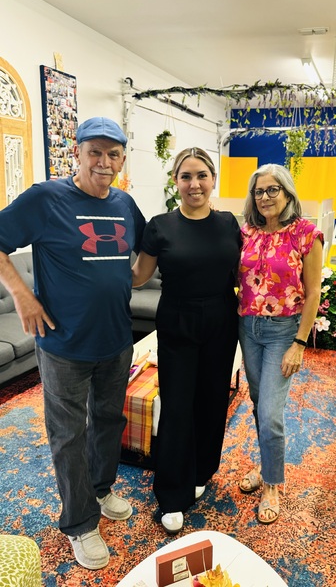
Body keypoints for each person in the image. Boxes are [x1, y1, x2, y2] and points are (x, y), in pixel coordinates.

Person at [0, 117, 146, 569]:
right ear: (76, 153)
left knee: (108, 421)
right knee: (68, 435)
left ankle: (100, 490)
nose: (104, 161)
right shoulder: (46, 198)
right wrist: (22, 295)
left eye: (113, 154)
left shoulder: (124, 203)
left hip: (116, 339)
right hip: (63, 343)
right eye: (94, 152)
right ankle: (80, 523)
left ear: (122, 159)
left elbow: (149, 248)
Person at [132, 147, 241, 534]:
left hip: (222, 318)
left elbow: (242, 273)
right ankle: (172, 494)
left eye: (201, 176)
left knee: (212, 399)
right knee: (177, 406)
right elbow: (138, 276)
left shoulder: (228, 223)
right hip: (178, 320)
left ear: (213, 180)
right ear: (175, 181)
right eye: (186, 176)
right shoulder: (160, 226)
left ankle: (201, 470)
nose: (194, 184)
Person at [237, 163, 323, 524]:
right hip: (248, 328)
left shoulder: (306, 233)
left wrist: (299, 343)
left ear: (287, 193)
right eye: (259, 191)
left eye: (273, 189)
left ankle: (272, 483)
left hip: (283, 331)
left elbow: (314, 291)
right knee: (260, 405)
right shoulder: (247, 232)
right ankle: (265, 464)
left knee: (271, 412)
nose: (265, 197)